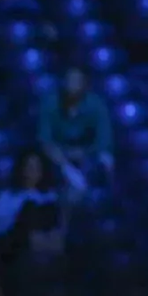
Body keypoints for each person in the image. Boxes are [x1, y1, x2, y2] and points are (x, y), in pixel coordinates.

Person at [38, 67, 114, 200]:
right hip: (58, 159)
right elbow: (45, 140)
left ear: (85, 84)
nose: (72, 85)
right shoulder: (49, 104)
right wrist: (64, 163)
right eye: (69, 80)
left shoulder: (96, 104)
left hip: (88, 155)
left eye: (76, 81)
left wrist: (85, 153)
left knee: (106, 160)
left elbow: (104, 140)